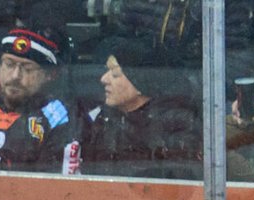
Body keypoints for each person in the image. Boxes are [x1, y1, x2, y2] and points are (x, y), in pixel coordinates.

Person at [0, 26, 81, 172]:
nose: (15, 76)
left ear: (48, 75)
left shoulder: (58, 117)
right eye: (9, 64)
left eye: (28, 69)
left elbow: (56, 182)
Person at [83, 40, 199, 177]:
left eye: (115, 74)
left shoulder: (177, 127)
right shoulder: (102, 119)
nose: (104, 79)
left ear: (140, 82)